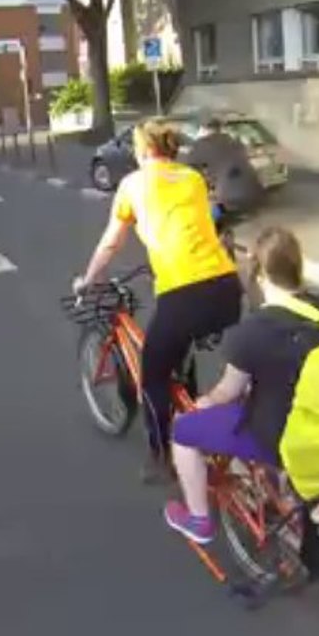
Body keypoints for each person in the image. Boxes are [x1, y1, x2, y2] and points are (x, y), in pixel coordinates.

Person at [74, 118, 243, 484]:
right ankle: (195, 421)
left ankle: (160, 455)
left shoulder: (132, 185)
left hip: (186, 293)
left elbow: (111, 242)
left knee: (152, 374)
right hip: (227, 286)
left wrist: (88, 281)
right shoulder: (192, 179)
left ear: (142, 150)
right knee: (178, 351)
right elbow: (198, 222)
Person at [163, 228, 319, 568]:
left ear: (259, 273)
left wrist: (200, 405)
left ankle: (199, 520)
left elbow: (227, 392)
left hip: (275, 433)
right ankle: (275, 490)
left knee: (184, 431)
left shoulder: (252, 331)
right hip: (318, 424)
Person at [182, 117, 263, 215]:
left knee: (205, 211)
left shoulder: (200, 145)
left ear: (203, 129)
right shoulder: (234, 141)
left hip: (227, 197)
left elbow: (187, 167)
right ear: (220, 128)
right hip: (255, 190)